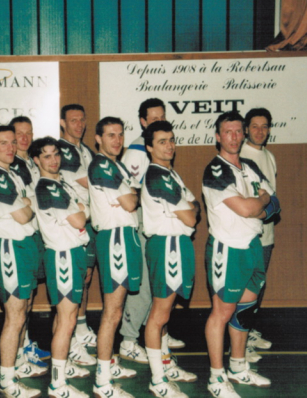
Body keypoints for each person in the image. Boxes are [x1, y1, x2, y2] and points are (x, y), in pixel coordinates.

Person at [202, 111, 279, 398]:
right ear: (218, 136)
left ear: (243, 134)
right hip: (227, 249)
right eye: (228, 132)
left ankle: (237, 366)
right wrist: (260, 201)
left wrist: (259, 203)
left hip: (253, 246)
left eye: (238, 131)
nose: (234, 137)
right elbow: (249, 208)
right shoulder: (216, 171)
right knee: (222, 312)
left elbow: (275, 203)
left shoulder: (250, 166)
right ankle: (216, 377)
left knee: (245, 309)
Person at [119, 98, 186, 365]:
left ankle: (157, 335)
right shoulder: (138, 150)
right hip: (143, 224)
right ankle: (128, 339)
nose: (159, 121)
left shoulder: (162, 148)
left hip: (160, 227)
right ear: (143, 122)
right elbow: (128, 190)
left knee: (161, 285)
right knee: (146, 285)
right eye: (154, 119)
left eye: (162, 117)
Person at [0, 125, 46, 398]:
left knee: (25, 309)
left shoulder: (11, 174)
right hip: (10, 248)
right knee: (15, 315)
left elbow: (29, 205)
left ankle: (18, 363)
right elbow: (23, 215)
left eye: (12, 142)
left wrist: (26, 204)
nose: (10, 147)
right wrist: (28, 205)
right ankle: (6, 381)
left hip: (26, 246)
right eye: (2, 143)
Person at [141, 121, 199, 398]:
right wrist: (189, 209)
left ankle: (165, 365)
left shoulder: (170, 174)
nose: (169, 145)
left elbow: (195, 205)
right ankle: (157, 380)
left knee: (165, 314)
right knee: (159, 314)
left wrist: (190, 208)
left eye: (171, 139)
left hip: (176, 245)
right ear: (149, 147)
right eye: (162, 141)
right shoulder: (157, 176)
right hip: (167, 246)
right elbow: (191, 215)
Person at [30, 136, 91, 398]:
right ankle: (57, 383)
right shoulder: (47, 187)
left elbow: (84, 211)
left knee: (64, 317)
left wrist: (81, 210)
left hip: (73, 252)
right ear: (36, 160)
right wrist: (80, 210)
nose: (54, 160)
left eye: (56, 154)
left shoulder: (61, 183)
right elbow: (80, 219)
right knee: (67, 321)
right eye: (46, 156)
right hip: (62, 256)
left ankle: (62, 370)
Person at [88, 116, 142, 398]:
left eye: (120, 134)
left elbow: (131, 198)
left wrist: (131, 193)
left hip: (125, 236)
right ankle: (102, 381)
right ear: (98, 138)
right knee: (112, 311)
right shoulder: (102, 165)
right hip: (115, 239)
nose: (117, 140)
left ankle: (108, 364)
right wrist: (132, 193)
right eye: (111, 135)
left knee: (117, 310)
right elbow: (131, 201)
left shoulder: (117, 165)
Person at [56, 104, 98, 367]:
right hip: (73, 222)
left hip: (89, 219)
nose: (79, 125)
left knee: (86, 275)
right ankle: (70, 340)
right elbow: (92, 182)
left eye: (82, 120)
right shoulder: (62, 150)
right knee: (74, 279)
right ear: (63, 123)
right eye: (73, 120)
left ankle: (80, 327)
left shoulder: (86, 150)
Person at [8, 116, 51, 366]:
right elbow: (23, 203)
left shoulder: (33, 163)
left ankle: (25, 344)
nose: (24, 138)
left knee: (30, 296)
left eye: (28, 133)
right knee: (20, 301)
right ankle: (19, 352)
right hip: (20, 238)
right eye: (19, 133)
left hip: (37, 235)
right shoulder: (11, 166)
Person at [239, 108, 277, 362]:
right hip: (248, 237)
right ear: (246, 129)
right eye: (254, 126)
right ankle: (240, 345)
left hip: (267, 236)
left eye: (264, 126)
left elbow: (272, 199)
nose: (260, 131)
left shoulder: (269, 157)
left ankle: (249, 332)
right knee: (244, 291)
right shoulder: (241, 156)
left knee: (257, 288)